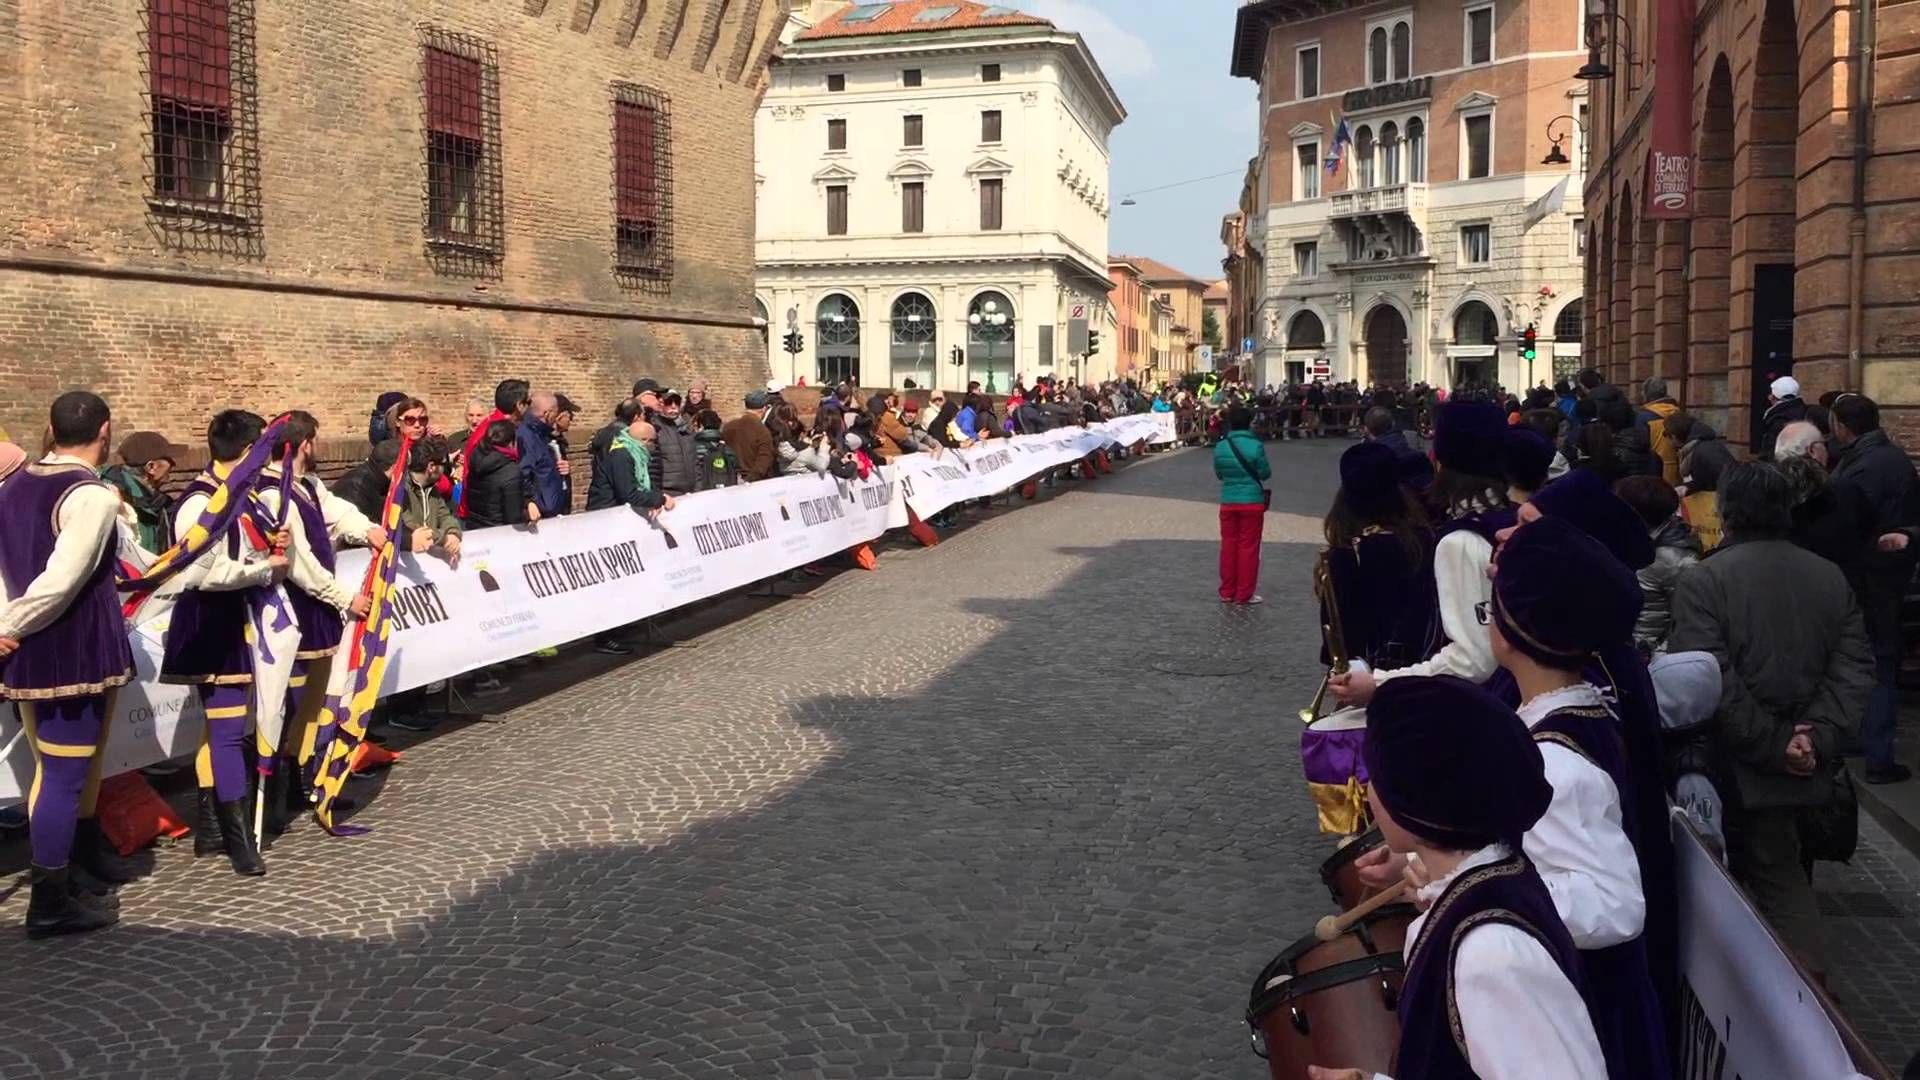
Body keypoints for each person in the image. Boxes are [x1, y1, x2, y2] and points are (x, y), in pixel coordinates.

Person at [1305, 676, 1607, 1080]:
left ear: (1412, 800)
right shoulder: (1482, 886)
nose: (1367, 789)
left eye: (1376, 776)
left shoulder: (1491, 953)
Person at [1668, 462, 1873, 978]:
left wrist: (1774, 743)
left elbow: (1707, 675)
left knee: (1753, 876)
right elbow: (1853, 669)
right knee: (1783, 872)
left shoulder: (1705, 580)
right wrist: (1815, 737)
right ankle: (1807, 990)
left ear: (1727, 512)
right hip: (1797, 758)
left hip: (1731, 761)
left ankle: (1799, 1009)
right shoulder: (1828, 575)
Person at [1483, 516, 1670, 1079]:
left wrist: (1477, 889)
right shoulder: (1568, 714)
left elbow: (1613, 905)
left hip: (1572, 1010)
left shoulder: (1555, 763)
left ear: (1516, 627)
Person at [0, 391, 137, 936]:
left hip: (36, 647)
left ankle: (72, 869)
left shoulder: (15, 484)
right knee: (62, 775)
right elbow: (61, 580)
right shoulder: (92, 495)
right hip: (68, 651)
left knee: (66, 770)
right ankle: (50, 901)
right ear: (104, 430)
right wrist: (10, 625)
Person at [159, 410, 286, 876]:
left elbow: (246, 550)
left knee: (227, 730)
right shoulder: (198, 503)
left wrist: (273, 546)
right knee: (229, 732)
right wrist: (263, 569)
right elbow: (200, 573)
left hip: (246, 618)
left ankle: (212, 828)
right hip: (215, 624)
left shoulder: (244, 497)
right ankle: (238, 841)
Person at [1331, 400, 1511, 707]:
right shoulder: (1514, 517)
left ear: (1440, 460)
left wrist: (1379, 683)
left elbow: (1474, 660)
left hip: (1480, 707)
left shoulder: (1461, 540)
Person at [253, 412, 382, 832]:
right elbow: (299, 562)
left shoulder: (308, 485)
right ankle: (275, 791)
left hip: (319, 612)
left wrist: (368, 530)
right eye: (313, 440)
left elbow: (337, 512)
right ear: (302, 443)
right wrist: (343, 597)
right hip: (294, 609)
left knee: (314, 700)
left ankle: (305, 778)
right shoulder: (274, 493)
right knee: (287, 704)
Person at [1828, 393, 1917, 784]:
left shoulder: (1865, 465)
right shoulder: (1880, 457)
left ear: (1842, 426)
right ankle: (1864, 739)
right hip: (1878, 573)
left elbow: (1850, 522)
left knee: (1878, 663)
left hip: (1873, 576)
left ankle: (1877, 756)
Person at [1322, 441, 1437, 671]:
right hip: (1425, 664)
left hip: (1369, 673)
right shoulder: (1425, 539)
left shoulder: (1345, 554)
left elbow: (1337, 635)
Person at [1614, 475, 1700, 656]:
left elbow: (1688, 619)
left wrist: (1655, 656)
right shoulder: (1632, 542)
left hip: (1650, 654)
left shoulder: (1675, 560)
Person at [1212, 404, 1270, 606]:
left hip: (1228, 500)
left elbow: (1219, 474)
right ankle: (1244, 593)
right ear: (1249, 423)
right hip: (1251, 501)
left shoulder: (1220, 446)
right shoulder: (1256, 446)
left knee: (1228, 545)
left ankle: (1227, 590)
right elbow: (1264, 473)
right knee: (1248, 547)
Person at [586, 401, 676, 518]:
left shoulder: (635, 453)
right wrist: (660, 499)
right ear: (645, 440)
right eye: (653, 441)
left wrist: (655, 498)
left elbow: (643, 481)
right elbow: (628, 492)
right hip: (606, 513)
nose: (654, 446)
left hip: (616, 510)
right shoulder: (621, 454)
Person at [458, 379, 531, 517]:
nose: (529, 408)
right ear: (519, 405)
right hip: (491, 516)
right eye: (528, 403)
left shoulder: (509, 427)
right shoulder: (492, 433)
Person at [105, 430, 185, 553]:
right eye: (170, 461)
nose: (173, 466)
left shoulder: (159, 503)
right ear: (151, 467)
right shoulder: (112, 497)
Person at [518, 391, 567, 520]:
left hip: (550, 511)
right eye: (555, 414)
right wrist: (529, 503)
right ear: (547, 413)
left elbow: (544, 468)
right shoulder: (527, 436)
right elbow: (523, 473)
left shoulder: (541, 434)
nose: (556, 419)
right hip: (538, 515)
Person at [1628, 376, 1682, 483]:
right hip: (1677, 472)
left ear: (1646, 394)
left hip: (1654, 472)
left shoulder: (1643, 417)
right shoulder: (1679, 413)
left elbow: (1639, 447)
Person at [720, 391, 777, 481]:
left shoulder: (728, 426)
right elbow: (764, 462)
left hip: (731, 479)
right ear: (764, 408)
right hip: (753, 483)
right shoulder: (762, 431)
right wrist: (748, 481)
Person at [1758, 375, 1807, 460]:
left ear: (1774, 397)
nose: (1769, 397)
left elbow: (1770, 450)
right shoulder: (1804, 411)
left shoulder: (1777, 419)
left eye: (1771, 394)